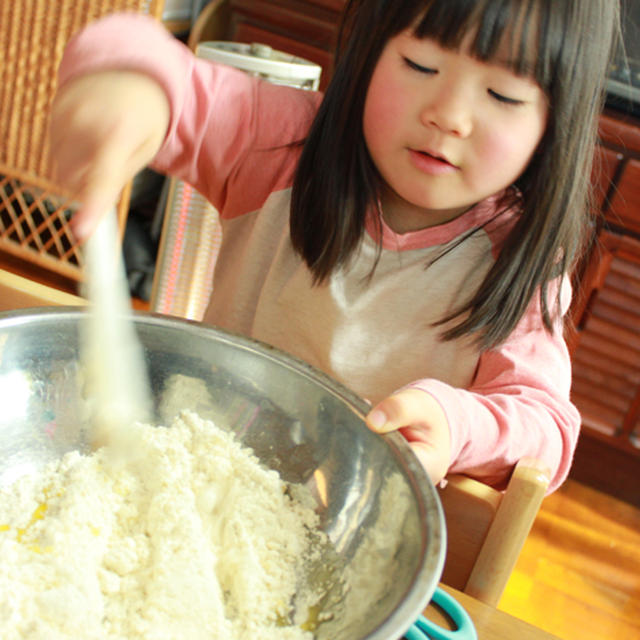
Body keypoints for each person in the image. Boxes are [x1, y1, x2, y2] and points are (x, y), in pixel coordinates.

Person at [50, 0, 620, 493]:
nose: (448, 116)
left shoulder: (519, 259)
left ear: (554, 123)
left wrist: (458, 423)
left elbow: (546, 426)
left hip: (358, 541)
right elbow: (135, 50)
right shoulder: (279, 147)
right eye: (420, 64)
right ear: (370, 49)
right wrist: (129, 93)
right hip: (195, 483)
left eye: (501, 94)